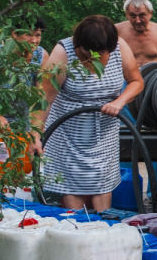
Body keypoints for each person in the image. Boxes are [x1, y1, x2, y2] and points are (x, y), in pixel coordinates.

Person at [31, 15, 144, 211]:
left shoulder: (120, 47)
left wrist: (119, 102)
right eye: (87, 53)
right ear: (78, 43)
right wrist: (34, 133)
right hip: (67, 130)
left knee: (102, 180)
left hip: (104, 129)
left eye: (100, 54)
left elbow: (136, 82)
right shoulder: (63, 53)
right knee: (73, 183)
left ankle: (103, 226)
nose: (94, 58)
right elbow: (44, 98)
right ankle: (77, 226)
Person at [116, 0, 157, 65]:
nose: (138, 21)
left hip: (153, 75)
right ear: (127, 15)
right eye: (133, 16)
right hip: (125, 75)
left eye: (142, 15)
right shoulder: (116, 31)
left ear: (150, 14)